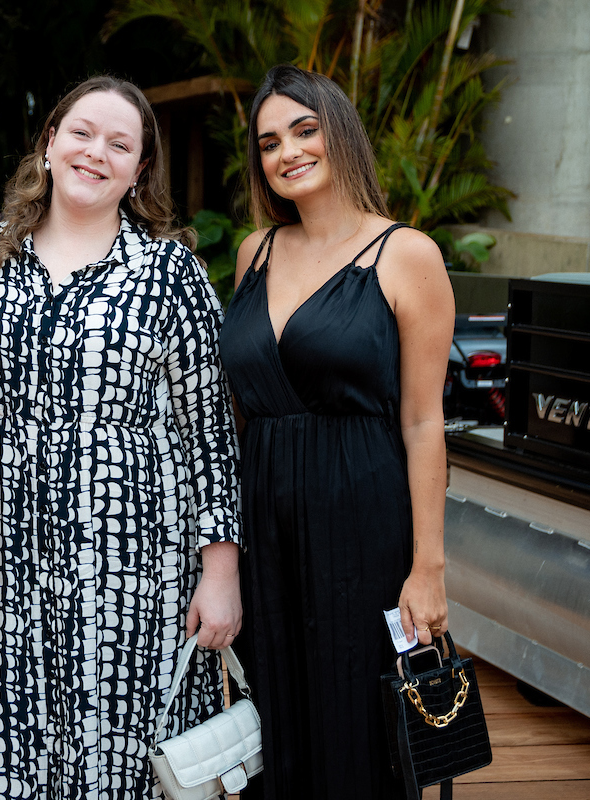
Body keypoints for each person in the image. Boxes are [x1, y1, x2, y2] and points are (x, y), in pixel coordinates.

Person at [0, 75, 242, 800]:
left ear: (139, 172)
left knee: (127, 772)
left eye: (120, 144)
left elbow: (211, 430)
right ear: (49, 143)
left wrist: (221, 572)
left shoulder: (171, 274)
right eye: (80, 133)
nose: (95, 153)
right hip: (0, 568)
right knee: (0, 764)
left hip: (134, 579)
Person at [219, 63, 454, 799]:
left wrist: (429, 567)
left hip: (365, 515)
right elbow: (238, 406)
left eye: (303, 130)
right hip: (267, 519)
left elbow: (422, 421)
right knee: (276, 708)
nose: (286, 152)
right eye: (268, 142)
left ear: (338, 133)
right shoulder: (252, 253)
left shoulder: (405, 255)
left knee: (361, 715)